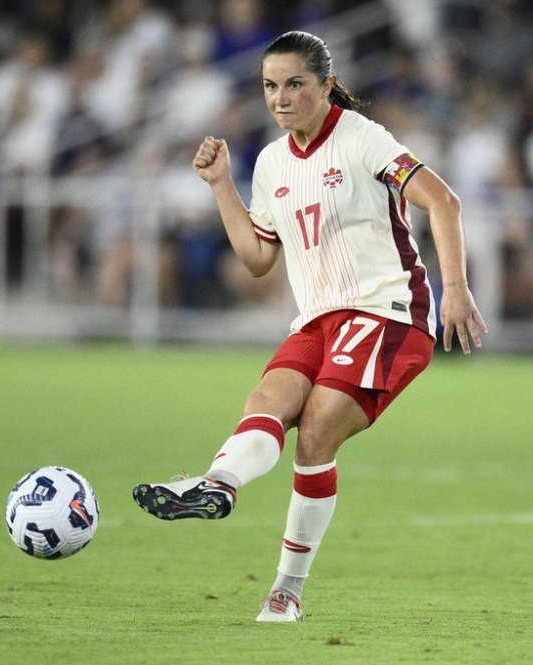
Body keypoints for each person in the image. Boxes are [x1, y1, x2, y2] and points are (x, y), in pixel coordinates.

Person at [132, 31, 487, 623]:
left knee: (316, 431)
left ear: (325, 85)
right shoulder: (271, 162)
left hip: (387, 313)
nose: (281, 97)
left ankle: (286, 591)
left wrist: (456, 287)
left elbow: (443, 201)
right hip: (319, 318)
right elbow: (257, 258)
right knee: (266, 401)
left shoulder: (362, 137)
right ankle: (218, 484)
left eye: (295, 84)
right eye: (271, 86)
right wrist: (221, 185)